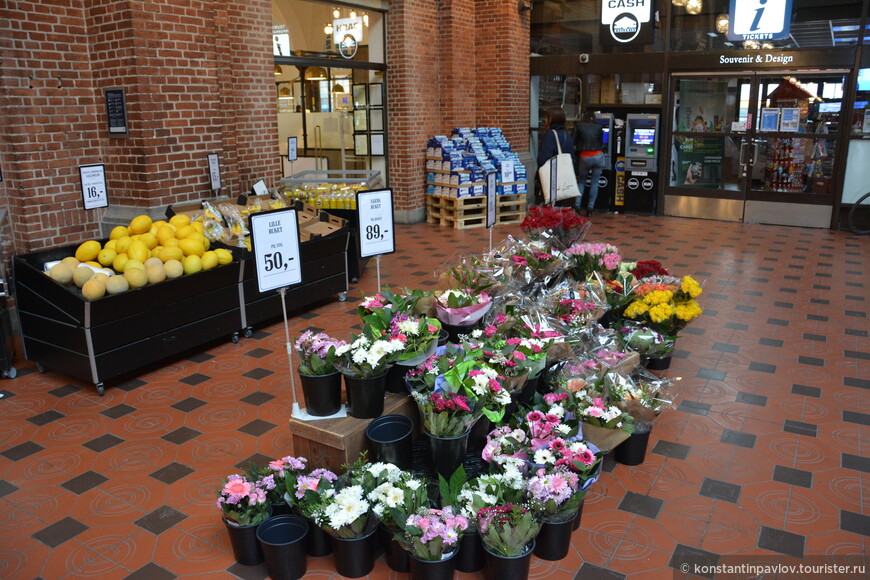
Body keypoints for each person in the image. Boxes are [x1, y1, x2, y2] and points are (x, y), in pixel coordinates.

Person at [536, 106, 575, 206]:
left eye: (547, 118)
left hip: (551, 179)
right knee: (561, 208)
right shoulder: (567, 134)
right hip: (564, 180)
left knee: (548, 208)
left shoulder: (550, 134)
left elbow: (543, 159)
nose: (545, 120)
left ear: (551, 119)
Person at [572, 111, 606, 216]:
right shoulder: (599, 126)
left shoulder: (579, 125)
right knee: (595, 182)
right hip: (598, 156)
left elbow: (572, 140)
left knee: (581, 182)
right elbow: (602, 142)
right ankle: (590, 209)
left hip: (585, 156)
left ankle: (577, 206)